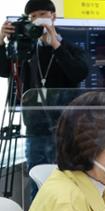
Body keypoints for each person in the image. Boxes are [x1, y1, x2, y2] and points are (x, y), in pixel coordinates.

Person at [0, 0, 89, 198]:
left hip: (66, 129)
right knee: (39, 185)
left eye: (41, 14)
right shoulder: (26, 49)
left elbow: (79, 72)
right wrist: (1, 42)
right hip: (36, 129)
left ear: (53, 16)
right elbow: (4, 70)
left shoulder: (68, 47)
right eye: (32, 17)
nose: (36, 20)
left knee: (71, 184)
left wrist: (56, 44)